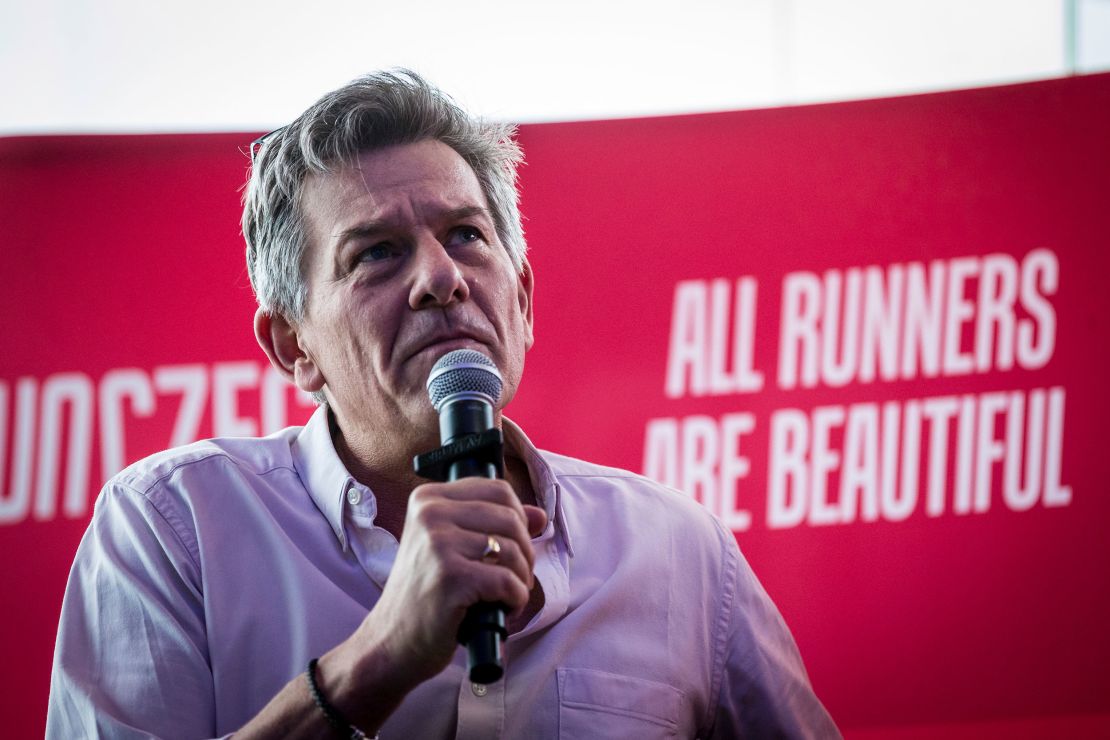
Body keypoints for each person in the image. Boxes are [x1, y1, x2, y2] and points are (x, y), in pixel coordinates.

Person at [47, 70, 839, 738]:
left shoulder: (680, 553)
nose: (441, 278)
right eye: (378, 252)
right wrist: (374, 662)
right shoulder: (174, 528)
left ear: (522, 300)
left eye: (466, 235)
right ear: (293, 345)